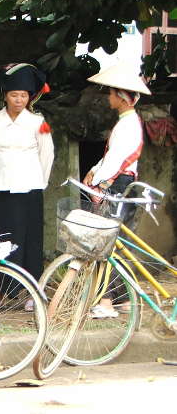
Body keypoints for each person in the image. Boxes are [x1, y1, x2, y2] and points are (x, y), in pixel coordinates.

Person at [82, 61, 151, 318]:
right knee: (118, 242)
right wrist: (95, 169)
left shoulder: (128, 124)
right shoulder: (127, 121)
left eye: (111, 93)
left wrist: (98, 180)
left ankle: (108, 301)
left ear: (122, 98)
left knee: (109, 244)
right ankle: (121, 300)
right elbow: (112, 156)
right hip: (123, 182)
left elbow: (117, 160)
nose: (108, 97)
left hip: (120, 185)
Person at [0, 63, 54, 310]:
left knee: (30, 240)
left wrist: (39, 182)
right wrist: (0, 177)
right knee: (2, 240)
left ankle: (30, 292)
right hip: (2, 189)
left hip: (31, 189)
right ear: (5, 95)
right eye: (14, 95)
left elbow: (47, 155)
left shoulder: (38, 122)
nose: (19, 100)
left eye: (23, 95)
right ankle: (0, 293)